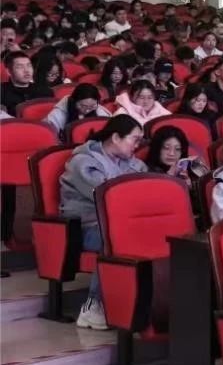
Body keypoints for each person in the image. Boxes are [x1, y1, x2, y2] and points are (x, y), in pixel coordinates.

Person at [58, 115, 146, 329]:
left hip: (120, 224)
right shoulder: (83, 162)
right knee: (115, 239)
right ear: (116, 137)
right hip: (85, 227)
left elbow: (145, 188)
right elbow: (109, 197)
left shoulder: (132, 163)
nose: (137, 145)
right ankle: (93, 305)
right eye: (134, 139)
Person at [44, 83, 111, 141]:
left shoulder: (101, 112)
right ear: (74, 101)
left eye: (91, 106)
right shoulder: (58, 114)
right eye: (83, 106)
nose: (87, 110)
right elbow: (51, 137)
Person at [0, 51, 52, 116]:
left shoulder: (45, 91)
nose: (26, 70)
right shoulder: (2, 92)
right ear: (8, 72)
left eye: (29, 66)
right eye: (20, 67)